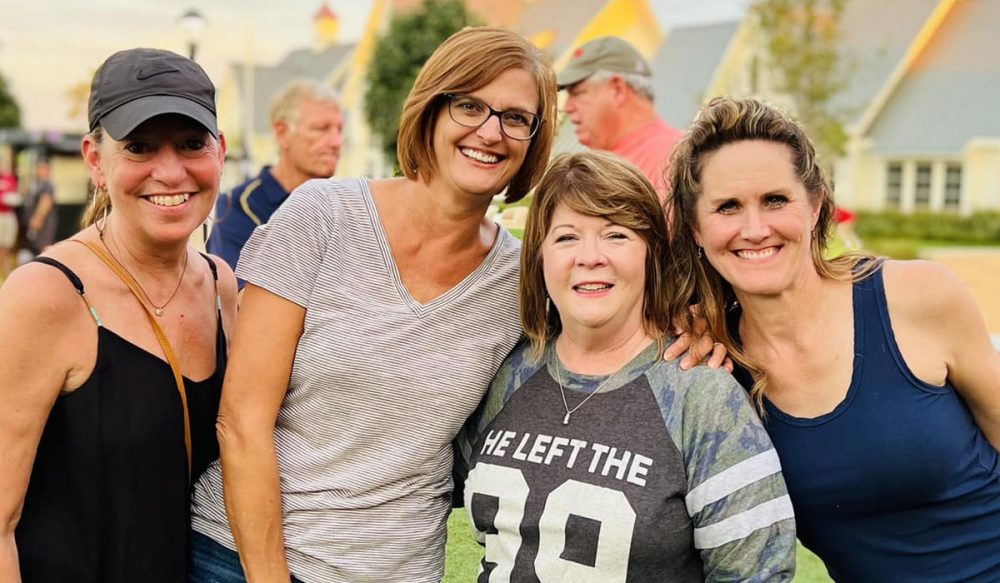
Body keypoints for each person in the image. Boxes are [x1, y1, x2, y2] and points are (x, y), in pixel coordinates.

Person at [189, 27, 722, 583]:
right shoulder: (321, 216)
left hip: (394, 569)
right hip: (238, 557)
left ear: (534, 140)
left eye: (515, 118)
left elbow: (614, 321)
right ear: (431, 110)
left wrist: (695, 321)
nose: (490, 132)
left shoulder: (524, 278)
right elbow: (242, 419)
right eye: (469, 105)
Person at [668, 97, 1000, 582]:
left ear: (816, 205)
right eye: (728, 207)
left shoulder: (918, 297)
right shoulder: (715, 369)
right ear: (697, 228)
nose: (755, 228)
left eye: (776, 200)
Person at [460, 151, 795, 582]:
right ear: (539, 256)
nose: (590, 256)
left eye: (616, 235)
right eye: (566, 238)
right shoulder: (508, 370)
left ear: (651, 254)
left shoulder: (699, 392)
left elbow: (757, 573)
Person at [0, 48, 238, 582]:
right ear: (94, 159)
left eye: (192, 144)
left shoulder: (222, 285)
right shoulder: (48, 295)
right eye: (139, 147)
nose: (171, 170)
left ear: (220, 151)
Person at [207, 80, 342, 275]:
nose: (336, 142)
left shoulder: (344, 206)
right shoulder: (239, 207)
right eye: (321, 129)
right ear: (282, 133)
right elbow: (240, 297)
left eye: (340, 130)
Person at [559, 36, 681, 203]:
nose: (567, 107)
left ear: (617, 90)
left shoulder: (677, 161)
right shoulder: (601, 165)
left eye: (578, 93)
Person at [24, 159, 58, 254]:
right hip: (39, 224)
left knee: (43, 248)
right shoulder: (37, 183)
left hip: (44, 224)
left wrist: (37, 219)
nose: (40, 170)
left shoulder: (47, 184)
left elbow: (46, 202)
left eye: (43, 168)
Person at [0, 155, 17, 277]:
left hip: (9, 215)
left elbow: (14, 194)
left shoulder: (10, 178)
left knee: (7, 246)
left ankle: (4, 271)